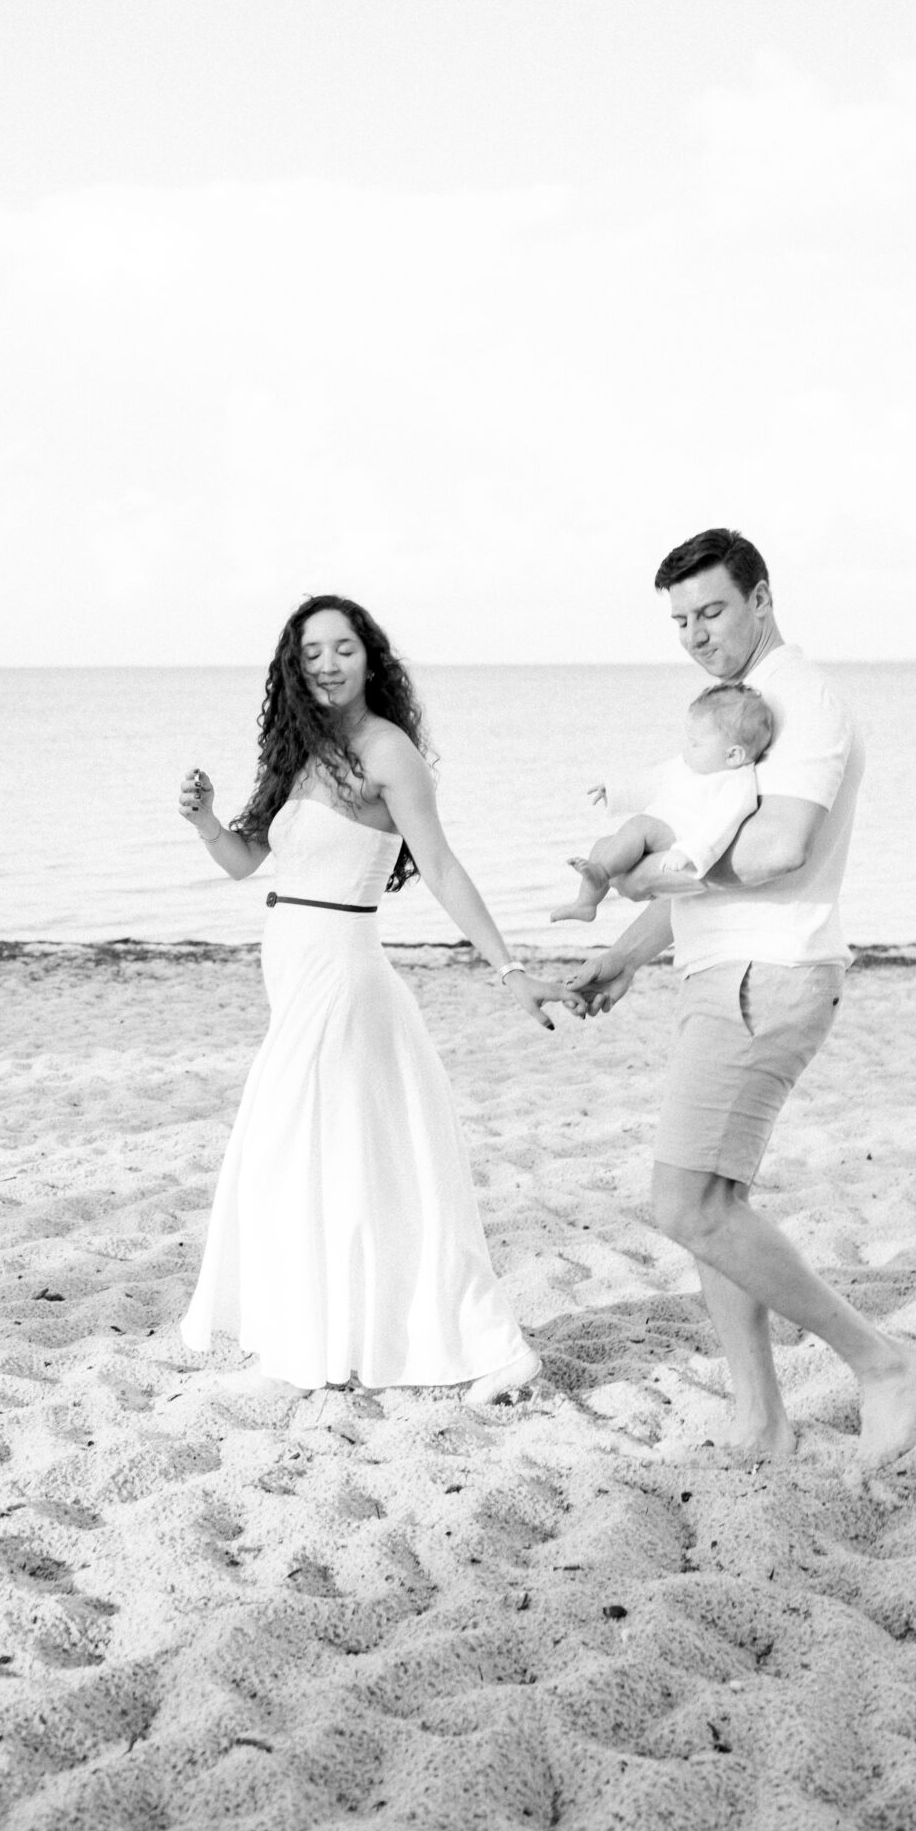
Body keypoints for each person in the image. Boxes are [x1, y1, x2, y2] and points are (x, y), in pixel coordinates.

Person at [569, 527, 916, 1467]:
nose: (695, 632)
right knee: (716, 1200)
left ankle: (879, 1360)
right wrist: (627, 953)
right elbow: (700, 856)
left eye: (713, 610)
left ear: (761, 599)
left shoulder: (799, 702)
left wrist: (649, 881)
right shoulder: (741, 706)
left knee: (685, 1205)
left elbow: (776, 852)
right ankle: (759, 1420)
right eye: (680, 618)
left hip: (764, 977)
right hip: (720, 972)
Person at [178, 591, 578, 1399]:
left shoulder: (386, 750)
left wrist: (507, 970)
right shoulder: (297, 750)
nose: (327, 663)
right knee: (327, 1162)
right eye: (312, 651)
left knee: (307, 1151)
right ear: (294, 665)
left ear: (370, 659)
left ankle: (471, 1346)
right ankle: (328, 1336)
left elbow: (441, 866)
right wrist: (204, 819)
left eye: (343, 648)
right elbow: (244, 861)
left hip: (343, 975)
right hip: (294, 973)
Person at [550, 681, 774, 924]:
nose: (687, 749)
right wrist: (616, 791)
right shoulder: (690, 765)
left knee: (639, 826)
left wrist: (689, 852)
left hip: (683, 839)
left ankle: (601, 874)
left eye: (695, 744)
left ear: (733, 755)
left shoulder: (737, 783)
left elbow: (722, 825)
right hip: (664, 829)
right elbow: (653, 780)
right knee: (603, 846)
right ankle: (586, 904)